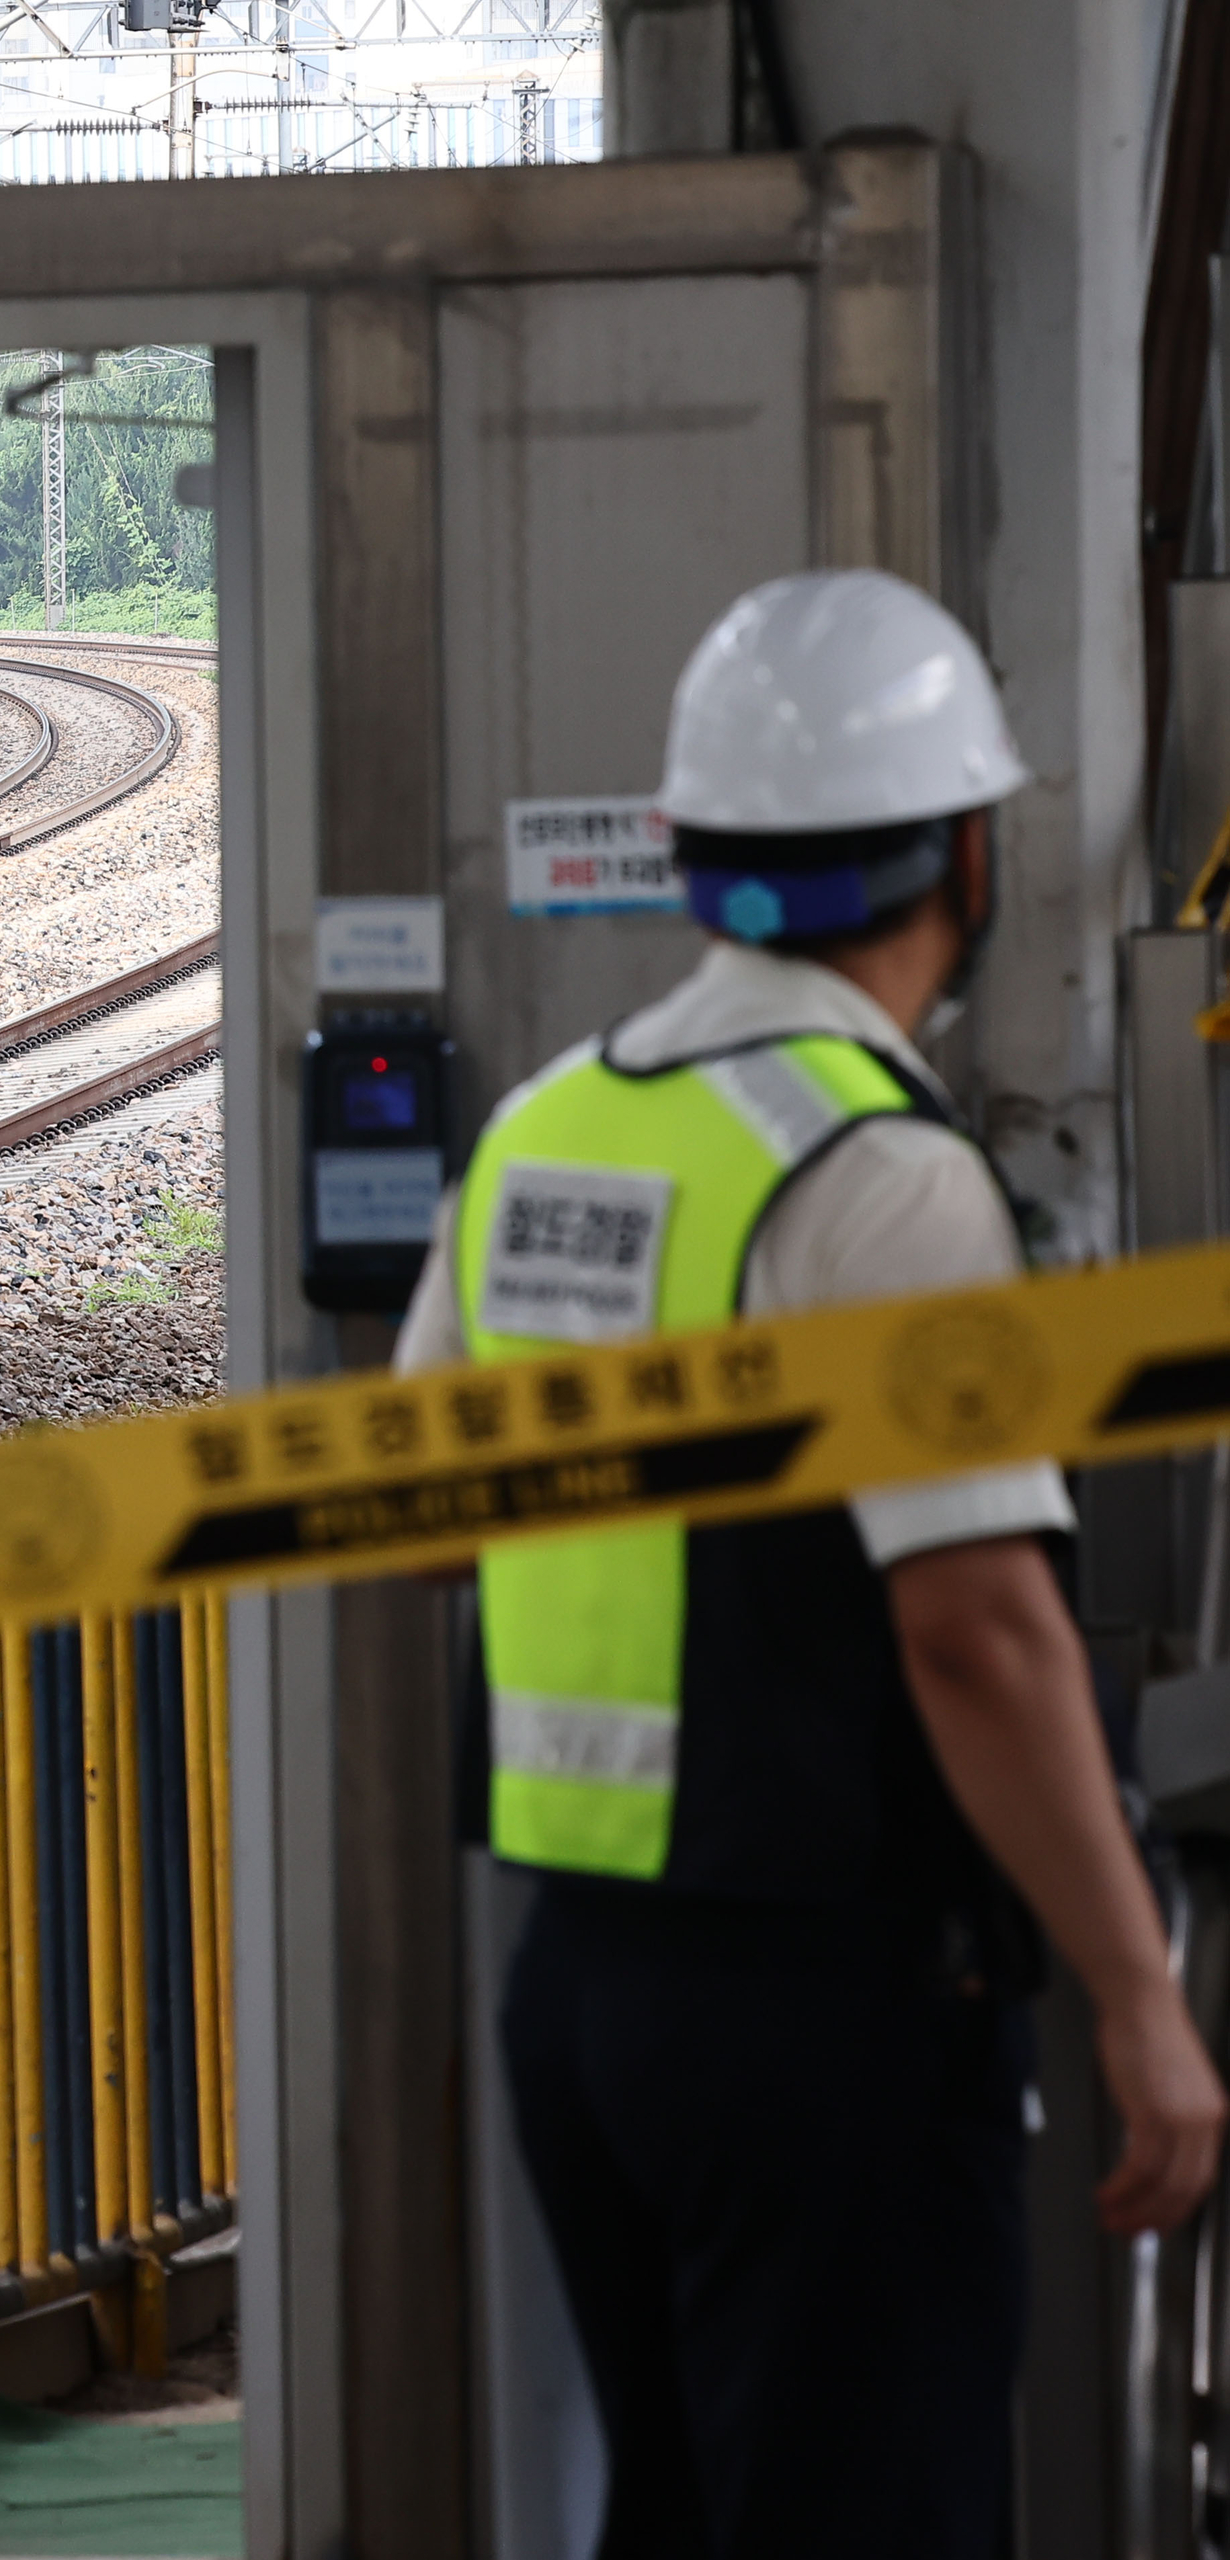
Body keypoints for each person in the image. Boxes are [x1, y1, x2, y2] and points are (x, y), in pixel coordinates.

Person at [396, 567, 1226, 2557]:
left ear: (691, 860)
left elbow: (437, 1501)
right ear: (960, 850)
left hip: (578, 1984)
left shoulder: (539, 1130)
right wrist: (1132, 1990)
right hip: (823, 1999)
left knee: (673, 2511)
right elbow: (975, 1635)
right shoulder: (875, 1171)